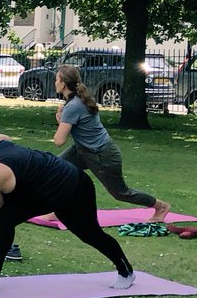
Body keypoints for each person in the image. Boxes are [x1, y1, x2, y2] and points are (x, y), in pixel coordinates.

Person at [0, 134, 137, 293]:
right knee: (6, 219)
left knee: (89, 234)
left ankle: (126, 271)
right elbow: (7, 139)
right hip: (43, 189)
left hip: (72, 186)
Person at [40, 65, 171, 223]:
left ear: (63, 84)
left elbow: (59, 141)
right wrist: (62, 120)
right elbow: (80, 127)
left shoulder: (73, 106)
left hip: (102, 155)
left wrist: (61, 121)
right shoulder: (77, 101)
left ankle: (161, 206)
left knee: (120, 193)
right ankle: (59, 210)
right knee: (57, 171)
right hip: (83, 150)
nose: (55, 82)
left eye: (56, 80)